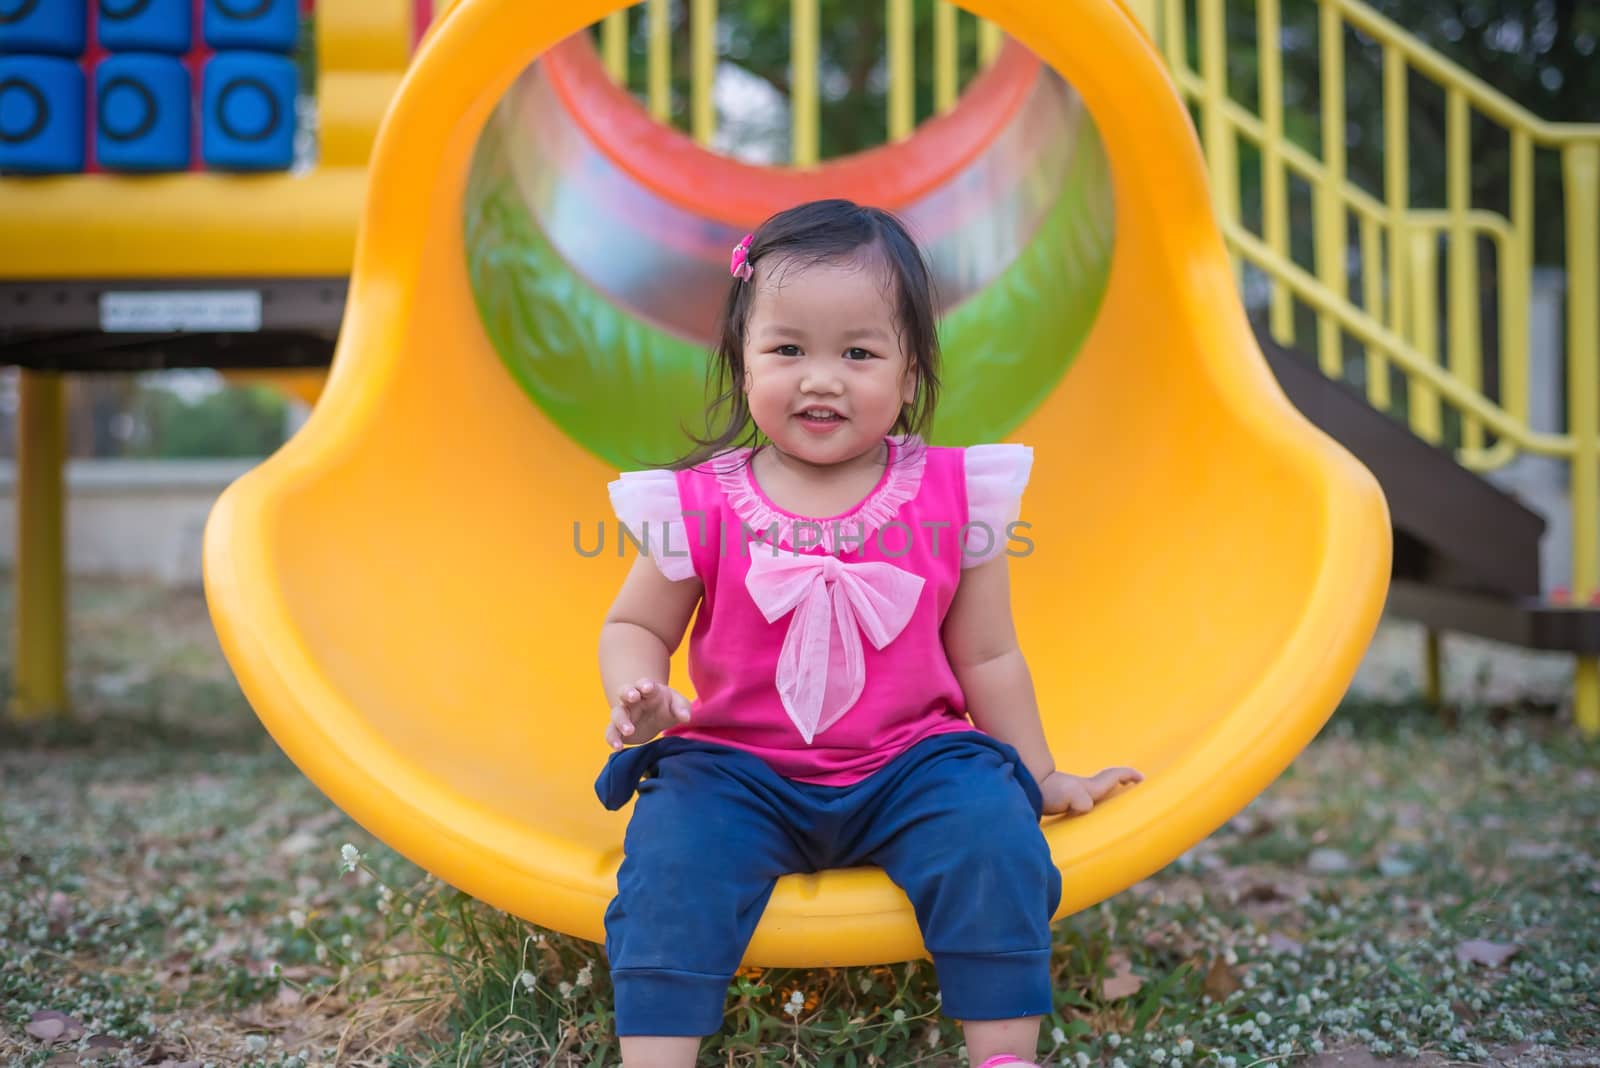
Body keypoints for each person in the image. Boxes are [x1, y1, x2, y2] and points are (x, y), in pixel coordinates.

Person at [596, 198, 1142, 1068]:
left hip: (911, 762)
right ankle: (657, 1056)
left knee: (992, 833)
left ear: (911, 372)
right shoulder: (698, 503)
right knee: (671, 859)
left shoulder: (957, 498)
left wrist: (1037, 774)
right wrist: (642, 694)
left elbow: (988, 653)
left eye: (858, 351)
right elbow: (633, 623)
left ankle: (1005, 1053)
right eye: (787, 349)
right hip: (737, 766)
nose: (822, 378)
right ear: (742, 365)